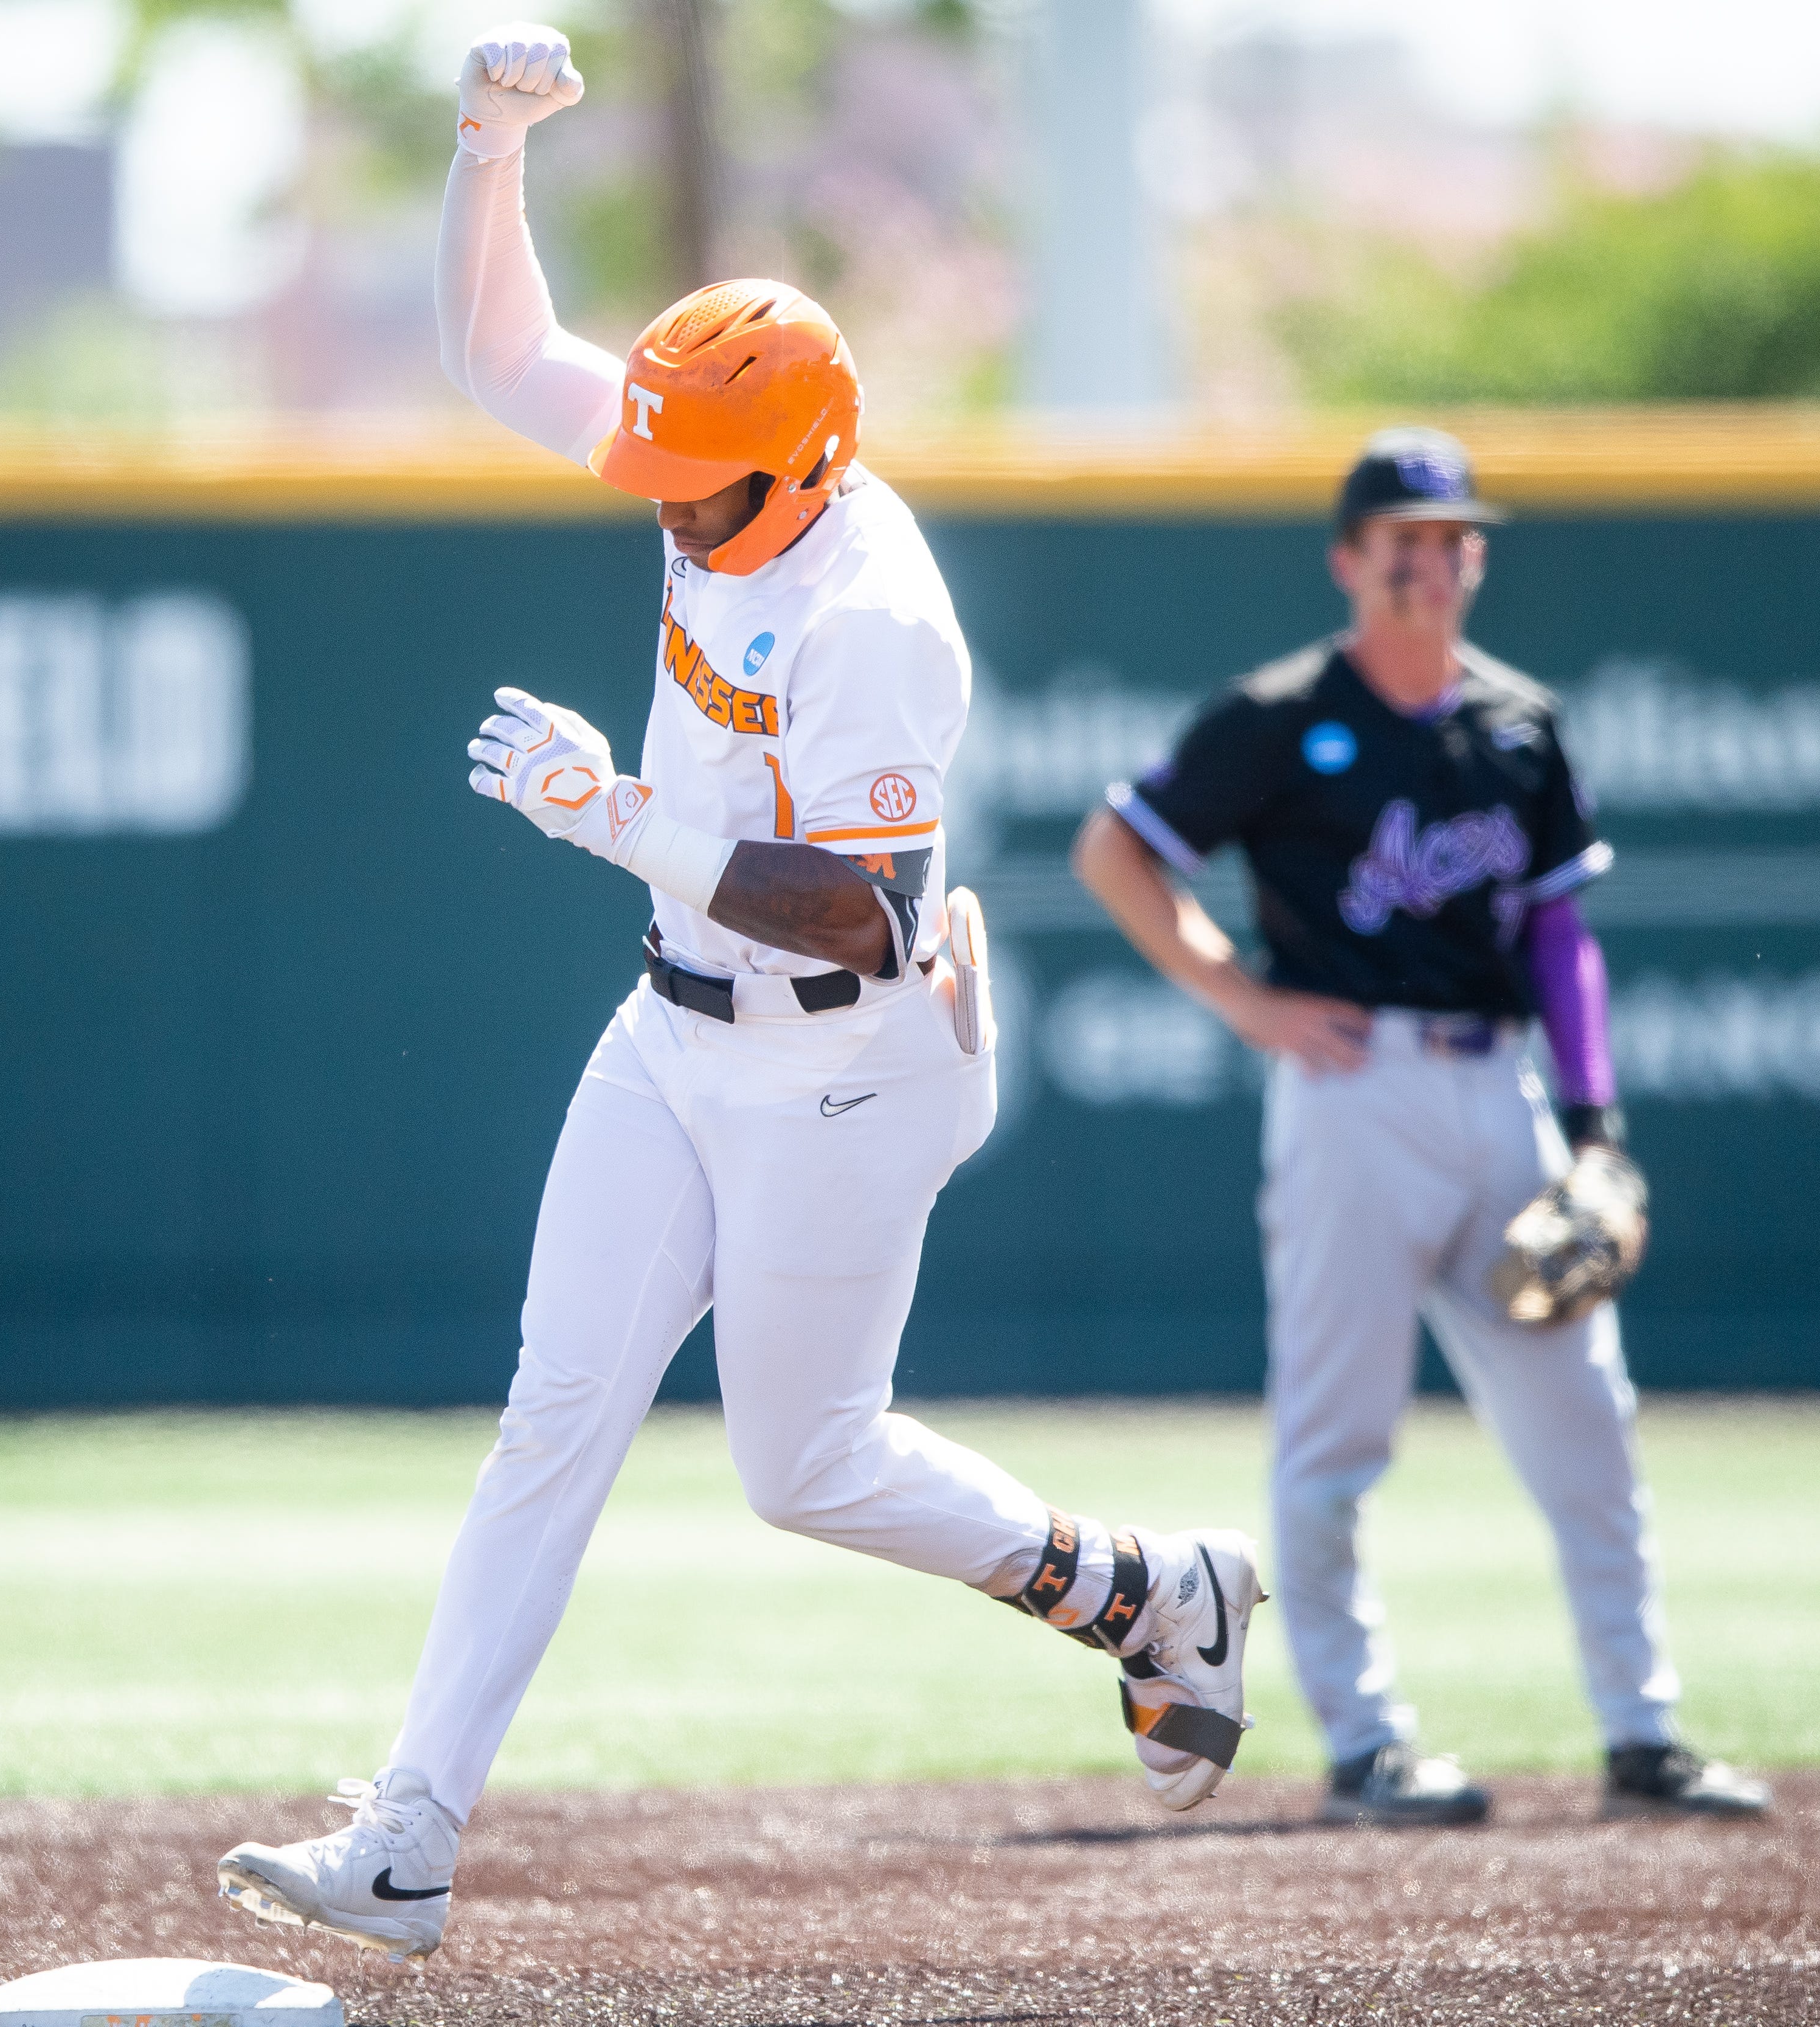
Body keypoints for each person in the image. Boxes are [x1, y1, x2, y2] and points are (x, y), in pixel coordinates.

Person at [212, 24, 1263, 1963]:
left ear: (812, 457)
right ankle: (412, 1831)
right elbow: (495, 354)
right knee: (554, 1413)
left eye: (705, 487)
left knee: (810, 1466)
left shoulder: (878, 617)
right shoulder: (725, 458)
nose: (668, 507)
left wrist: (614, 820)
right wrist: (488, 148)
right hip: (669, 1031)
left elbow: (860, 915)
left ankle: (1145, 1587)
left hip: (844, 1069)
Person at [1070, 428, 1771, 1828]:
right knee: (1333, 1439)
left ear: (1475, 556)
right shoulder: (1278, 712)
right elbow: (1116, 850)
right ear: (1349, 560)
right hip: (1349, 1093)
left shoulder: (1516, 720)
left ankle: (1642, 1730)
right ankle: (1363, 1740)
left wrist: (1595, 1128)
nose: (1428, 563)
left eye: (1451, 539)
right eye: (1402, 539)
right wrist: (1239, 999)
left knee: (1590, 1424)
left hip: (1494, 1085)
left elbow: (1559, 930)